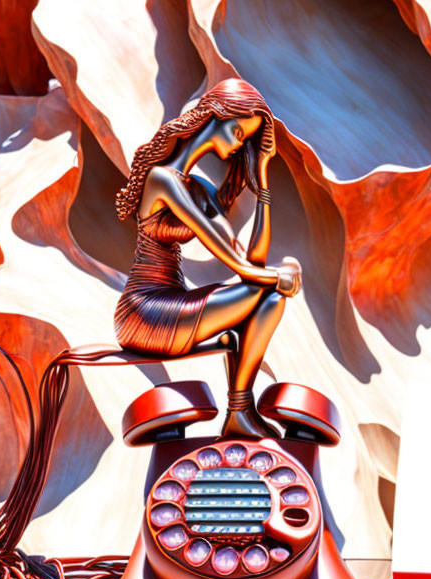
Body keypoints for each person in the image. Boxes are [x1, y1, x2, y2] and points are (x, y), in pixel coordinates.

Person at [114, 78, 301, 439]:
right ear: (213, 118)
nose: (237, 143)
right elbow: (237, 267)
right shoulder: (162, 180)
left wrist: (262, 177)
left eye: (244, 138)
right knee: (266, 292)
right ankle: (239, 411)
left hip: (174, 301)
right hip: (144, 310)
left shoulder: (198, 188)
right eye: (236, 131)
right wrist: (279, 277)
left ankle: (239, 411)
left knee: (269, 296)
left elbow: (250, 260)